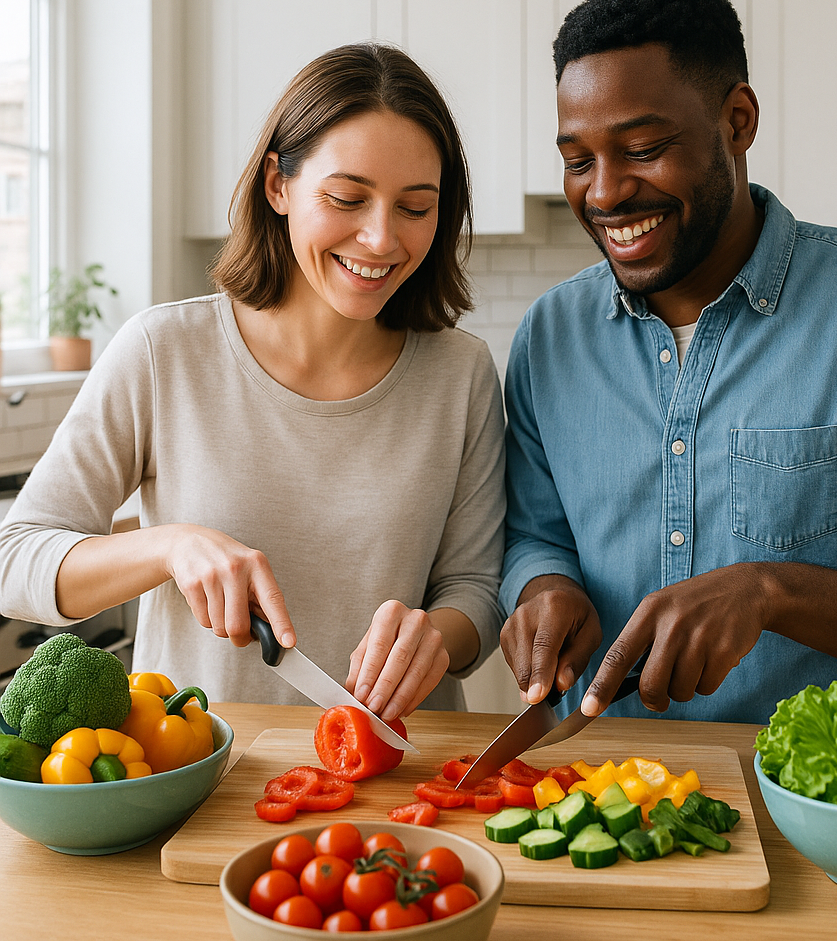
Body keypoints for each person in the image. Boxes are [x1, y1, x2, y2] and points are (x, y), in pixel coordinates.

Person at [498, 0, 837, 726]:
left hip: (820, 810)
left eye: (643, 147)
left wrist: (772, 591)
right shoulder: (549, 337)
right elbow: (535, 535)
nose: (605, 193)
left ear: (738, 120)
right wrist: (544, 587)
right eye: (578, 160)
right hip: (596, 795)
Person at [0, 43, 506, 720]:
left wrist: (436, 637)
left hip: (404, 777)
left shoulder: (461, 373)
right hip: (202, 774)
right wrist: (169, 546)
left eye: (415, 208)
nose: (382, 238)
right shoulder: (163, 351)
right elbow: (16, 560)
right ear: (278, 186)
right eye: (348, 198)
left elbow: (476, 586)